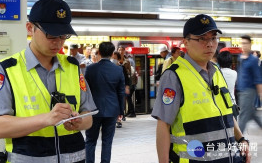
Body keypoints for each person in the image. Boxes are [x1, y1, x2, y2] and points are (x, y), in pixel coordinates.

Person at [0, 0, 97, 163]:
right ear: (30, 28)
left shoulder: (73, 67)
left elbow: (89, 116)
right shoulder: (6, 70)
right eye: (50, 34)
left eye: (63, 35)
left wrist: (78, 121)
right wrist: (46, 119)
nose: (58, 42)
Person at [152, 14, 250, 163]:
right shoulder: (174, 76)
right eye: (202, 39)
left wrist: (241, 139)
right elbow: (163, 124)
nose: (210, 44)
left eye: (213, 38)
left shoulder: (217, 71)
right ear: (186, 42)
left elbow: (228, 111)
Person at [85, 42, 125, 163]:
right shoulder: (118, 70)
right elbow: (121, 92)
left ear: (99, 53)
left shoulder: (90, 69)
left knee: (90, 141)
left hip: (93, 110)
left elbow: (85, 90)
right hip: (112, 110)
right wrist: (121, 111)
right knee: (107, 141)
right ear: (113, 54)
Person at [236, 35, 262, 133]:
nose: (244, 45)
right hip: (241, 90)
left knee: (243, 115)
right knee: (251, 113)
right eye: (242, 43)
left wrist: (260, 94)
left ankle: (238, 138)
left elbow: (258, 78)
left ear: (250, 44)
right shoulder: (240, 58)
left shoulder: (253, 60)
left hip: (248, 91)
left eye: (246, 43)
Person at [112, 51, 132, 126]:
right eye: (113, 57)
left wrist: (127, 87)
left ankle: (119, 119)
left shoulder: (121, 67)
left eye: (115, 58)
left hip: (120, 88)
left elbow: (126, 78)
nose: (113, 59)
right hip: (112, 88)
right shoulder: (110, 67)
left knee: (120, 103)